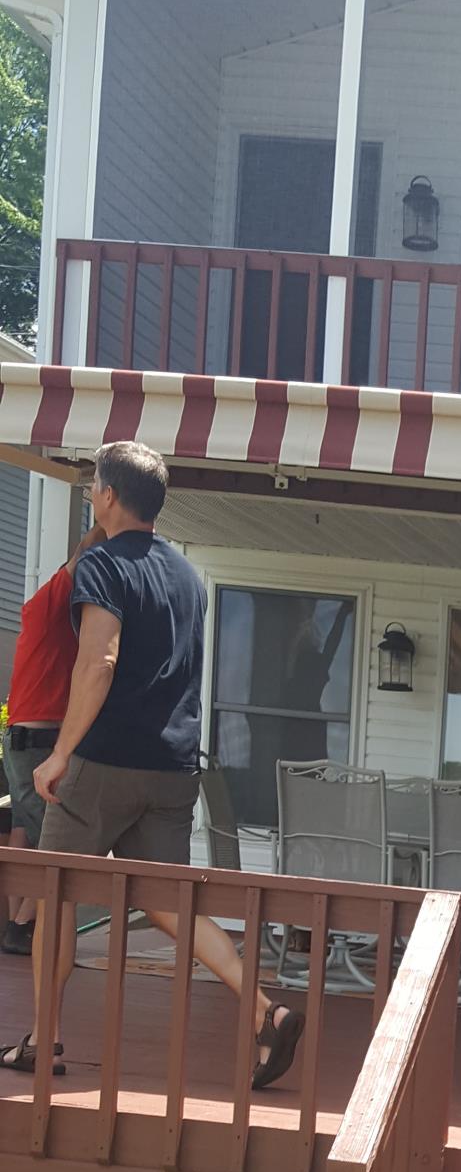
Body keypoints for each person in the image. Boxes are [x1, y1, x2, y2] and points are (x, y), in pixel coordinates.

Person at [0, 441, 305, 1089]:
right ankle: (266, 1011)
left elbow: (99, 662)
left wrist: (61, 754)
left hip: (104, 763)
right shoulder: (188, 576)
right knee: (170, 902)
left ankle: (43, 1041)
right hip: (173, 769)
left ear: (109, 496)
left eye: (93, 487)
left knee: (55, 891)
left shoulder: (104, 565)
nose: (90, 494)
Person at [2, 519, 103, 953]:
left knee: (26, 829)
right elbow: (80, 556)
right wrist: (107, 520)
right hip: (36, 743)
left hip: (26, 740)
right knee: (58, 839)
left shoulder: (57, 621)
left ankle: (15, 924)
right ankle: (24, 926)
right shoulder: (49, 604)